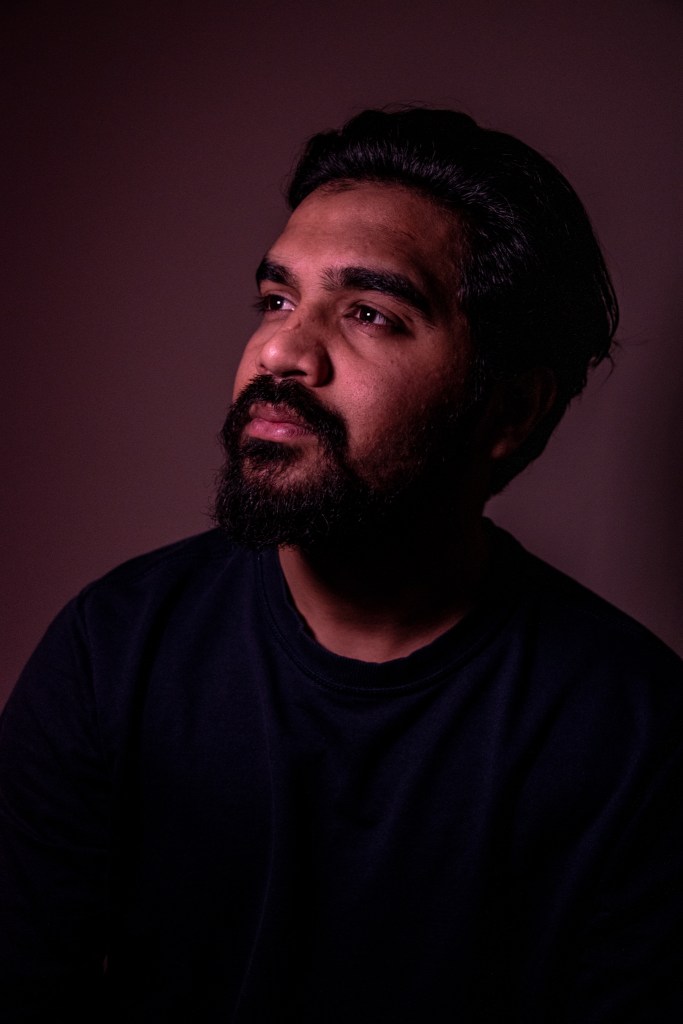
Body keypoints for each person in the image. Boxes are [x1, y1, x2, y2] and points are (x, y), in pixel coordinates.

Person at [1, 107, 681, 1023]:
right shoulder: (115, 650)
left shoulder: (634, 734)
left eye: (369, 313)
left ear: (510, 411)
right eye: (277, 300)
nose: (279, 350)